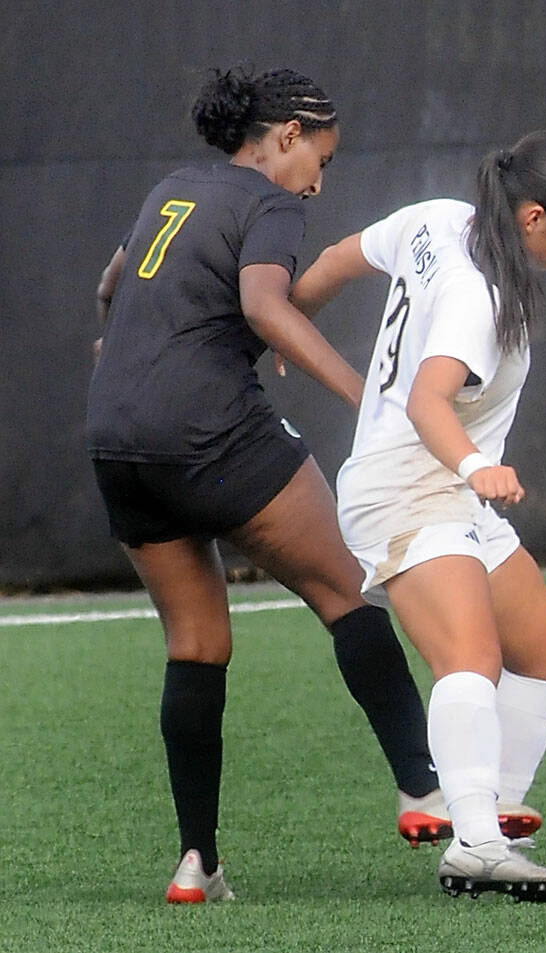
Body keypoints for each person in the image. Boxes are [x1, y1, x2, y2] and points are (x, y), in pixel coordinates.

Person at [87, 67, 454, 903]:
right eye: (318, 159)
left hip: (116, 438)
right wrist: (372, 399)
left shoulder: (173, 188)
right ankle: (420, 786)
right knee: (349, 590)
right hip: (209, 429)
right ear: (286, 134)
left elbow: (111, 287)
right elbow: (263, 303)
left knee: (196, 642)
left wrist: (125, 362)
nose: (318, 183)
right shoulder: (271, 204)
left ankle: (196, 864)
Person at [289, 129, 546, 901]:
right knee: (471, 655)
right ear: (534, 218)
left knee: (542, 643)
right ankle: (478, 845)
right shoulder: (480, 295)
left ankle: (487, 808)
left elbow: (335, 260)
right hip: (410, 484)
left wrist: (285, 321)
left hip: (447, 486)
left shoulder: (436, 219)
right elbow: (430, 399)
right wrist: (476, 465)